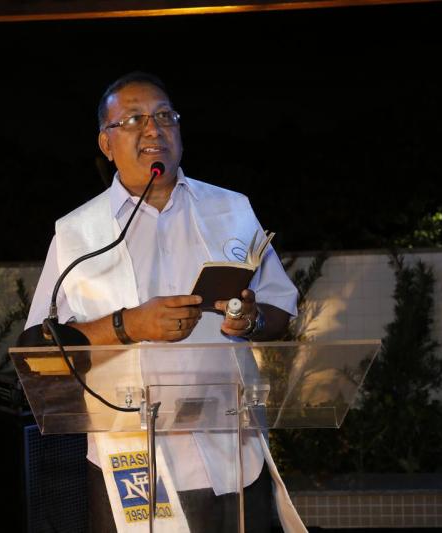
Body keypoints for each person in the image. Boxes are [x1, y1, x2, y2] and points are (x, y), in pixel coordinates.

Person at [24, 72, 301, 532]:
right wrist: (127, 326)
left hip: (234, 456)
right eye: (134, 119)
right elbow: (40, 350)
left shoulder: (231, 209)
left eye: (165, 116)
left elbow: (281, 308)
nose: (154, 129)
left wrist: (251, 320)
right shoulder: (77, 233)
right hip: (130, 464)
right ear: (106, 143)